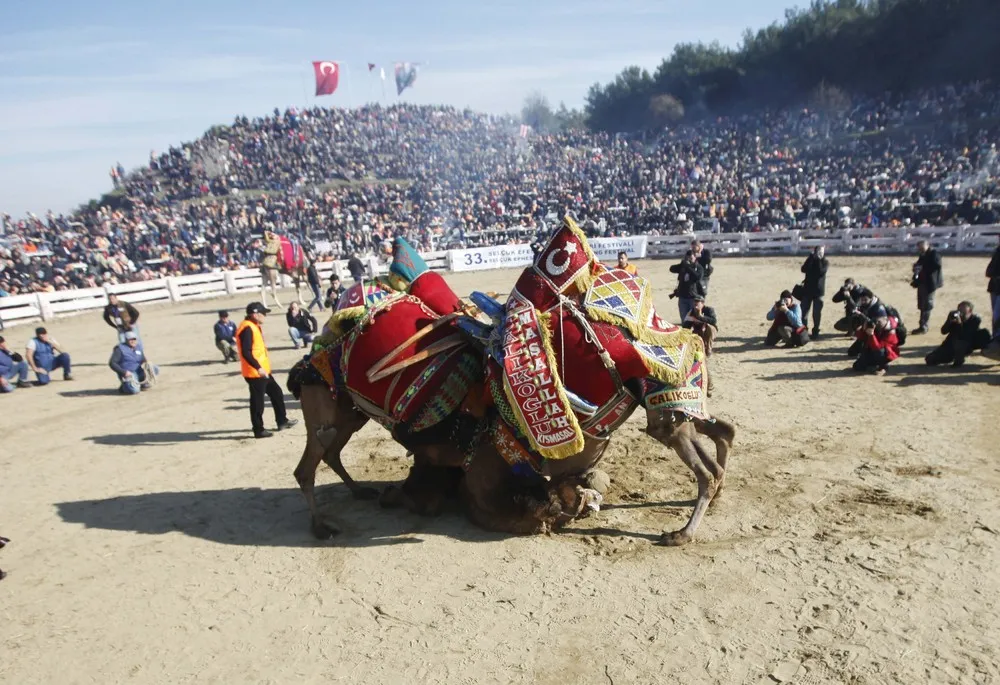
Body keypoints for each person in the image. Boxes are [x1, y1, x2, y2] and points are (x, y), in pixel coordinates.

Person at [237, 302, 297, 439]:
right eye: (263, 313)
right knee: (257, 402)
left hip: (263, 371)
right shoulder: (247, 328)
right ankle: (258, 429)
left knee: (276, 393)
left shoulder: (253, 326)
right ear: (255, 314)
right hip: (255, 373)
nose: (264, 316)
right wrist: (258, 368)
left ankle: (282, 421)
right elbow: (246, 352)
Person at [925, 302, 992, 367]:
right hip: (950, 344)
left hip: (968, 343)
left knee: (962, 343)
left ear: (970, 312)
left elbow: (965, 335)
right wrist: (949, 322)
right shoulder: (953, 315)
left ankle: (959, 360)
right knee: (930, 359)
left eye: (964, 312)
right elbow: (943, 331)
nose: (961, 314)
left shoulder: (975, 319)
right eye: (959, 311)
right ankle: (950, 357)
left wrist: (959, 323)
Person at [912, 240, 943, 334]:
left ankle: (924, 326)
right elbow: (919, 264)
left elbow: (937, 265)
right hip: (922, 283)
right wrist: (916, 267)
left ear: (927, 245)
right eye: (919, 248)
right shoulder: (923, 254)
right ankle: (922, 325)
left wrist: (922, 267)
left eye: (922, 247)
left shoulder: (934, 254)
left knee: (927, 305)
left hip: (930, 284)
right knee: (922, 305)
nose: (920, 249)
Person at [799, 246, 828, 339]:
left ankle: (815, 330)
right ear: (814, 252)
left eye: (822, 252)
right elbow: (803, 269)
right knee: (804, 312)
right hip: (807, 290)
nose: (820, 253)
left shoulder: (825, 262)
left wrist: (818, 260)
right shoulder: (810, 260)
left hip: (818, 292)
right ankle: (804, 330)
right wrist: (811, 258)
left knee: (816, 313)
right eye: (819, 251)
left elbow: (821, 271)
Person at [669, 249, 706, 321]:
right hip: (682, 297)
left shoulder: (699, 268)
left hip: (693, 298)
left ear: (695, 258)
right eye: (687, 258)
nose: (689, 260)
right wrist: (681, 264)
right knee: (684, 320)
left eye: (691, 258)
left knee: (694, 319)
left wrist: (688, 267)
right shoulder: (683, 266)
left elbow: (697, 277)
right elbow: (671, 269)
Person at [986, 235, 1000, 336]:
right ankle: (995, 336)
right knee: (996, 314)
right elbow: (989, 270)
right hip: (995, 286)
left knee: (997, 314)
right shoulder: (997, 251)